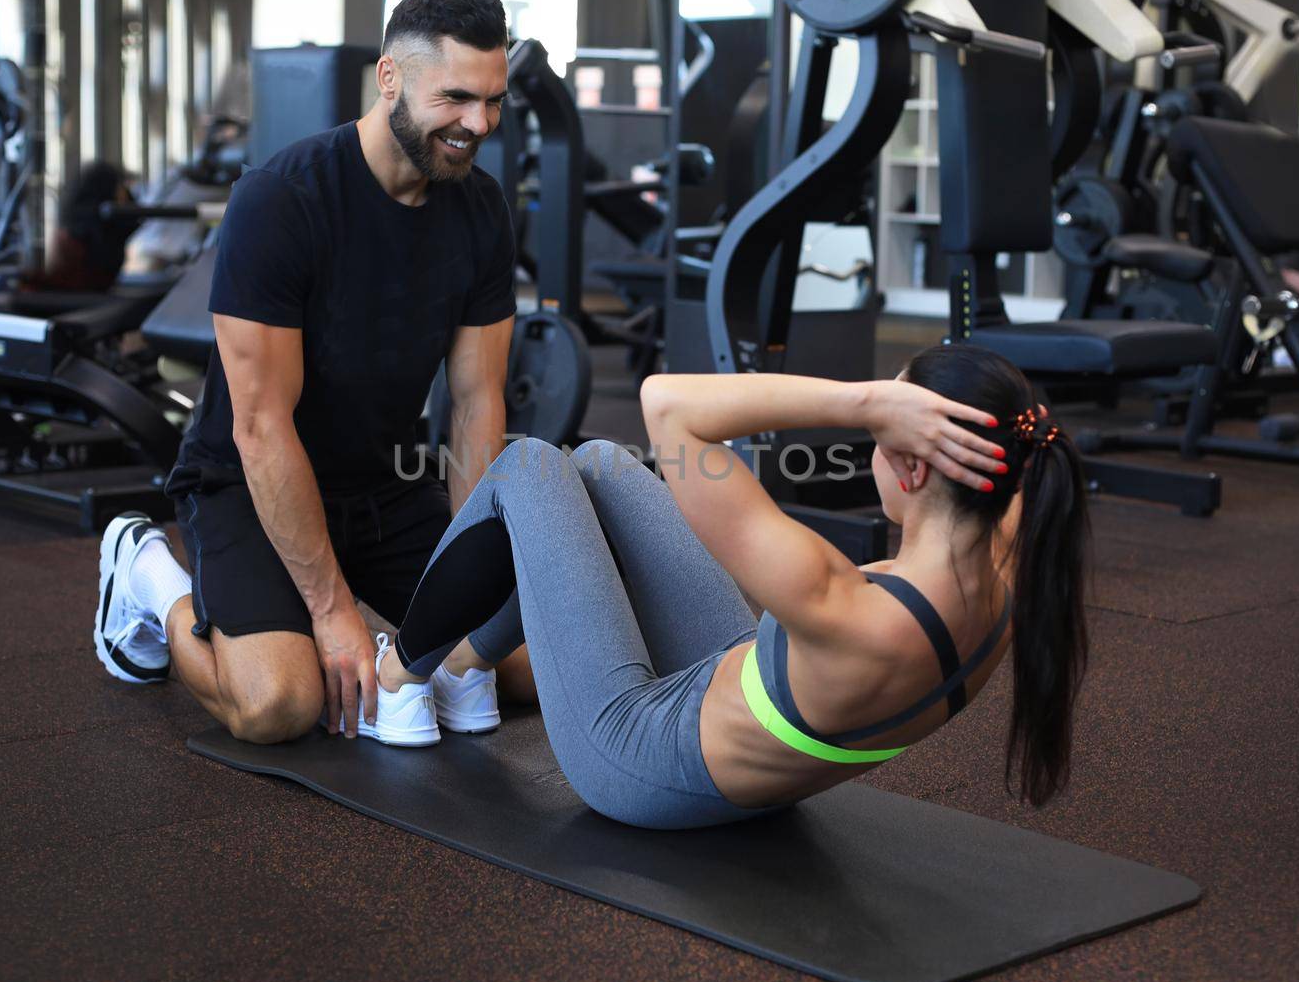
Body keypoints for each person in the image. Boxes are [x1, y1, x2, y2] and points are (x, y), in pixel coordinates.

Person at [366, 345, 1091, 829]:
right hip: (749, 721)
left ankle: (396, 680)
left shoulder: (841, 602)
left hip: (639, 757)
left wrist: (866, 400)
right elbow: (1017, 437)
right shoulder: (1011, 565)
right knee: (599, 464)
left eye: (878, 440)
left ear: (912, 470)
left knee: (528, 466)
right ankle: (465, 673)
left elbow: (668, 403)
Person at [90, 0, 537, 744]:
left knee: (521, 667)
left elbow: (476, 403)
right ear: (389, 76)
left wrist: (469, 586)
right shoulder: (280, 200)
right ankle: (146, 576)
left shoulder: (481, 208)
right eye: (457, 97)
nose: (479, 123)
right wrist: (333, 614)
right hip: (247, 480)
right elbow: (260, 427)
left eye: (493, 100)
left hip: (387, 489)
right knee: (280, 705)